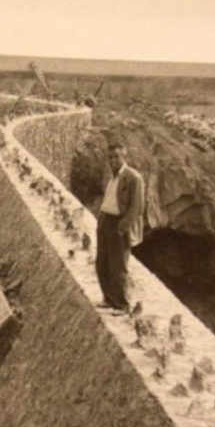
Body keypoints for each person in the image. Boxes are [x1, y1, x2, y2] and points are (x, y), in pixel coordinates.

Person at [94, 135, 144, 315]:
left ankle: (122, 305)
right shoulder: (113, 176)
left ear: (124, 157)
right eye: (111, 157)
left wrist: (122, 227)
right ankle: (108, 298)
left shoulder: (133, 177)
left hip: (118, 225)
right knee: (102, 263)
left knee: (118, 266)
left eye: (117, 157)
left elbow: (137, 207)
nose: (113, 161)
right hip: (105, 221)